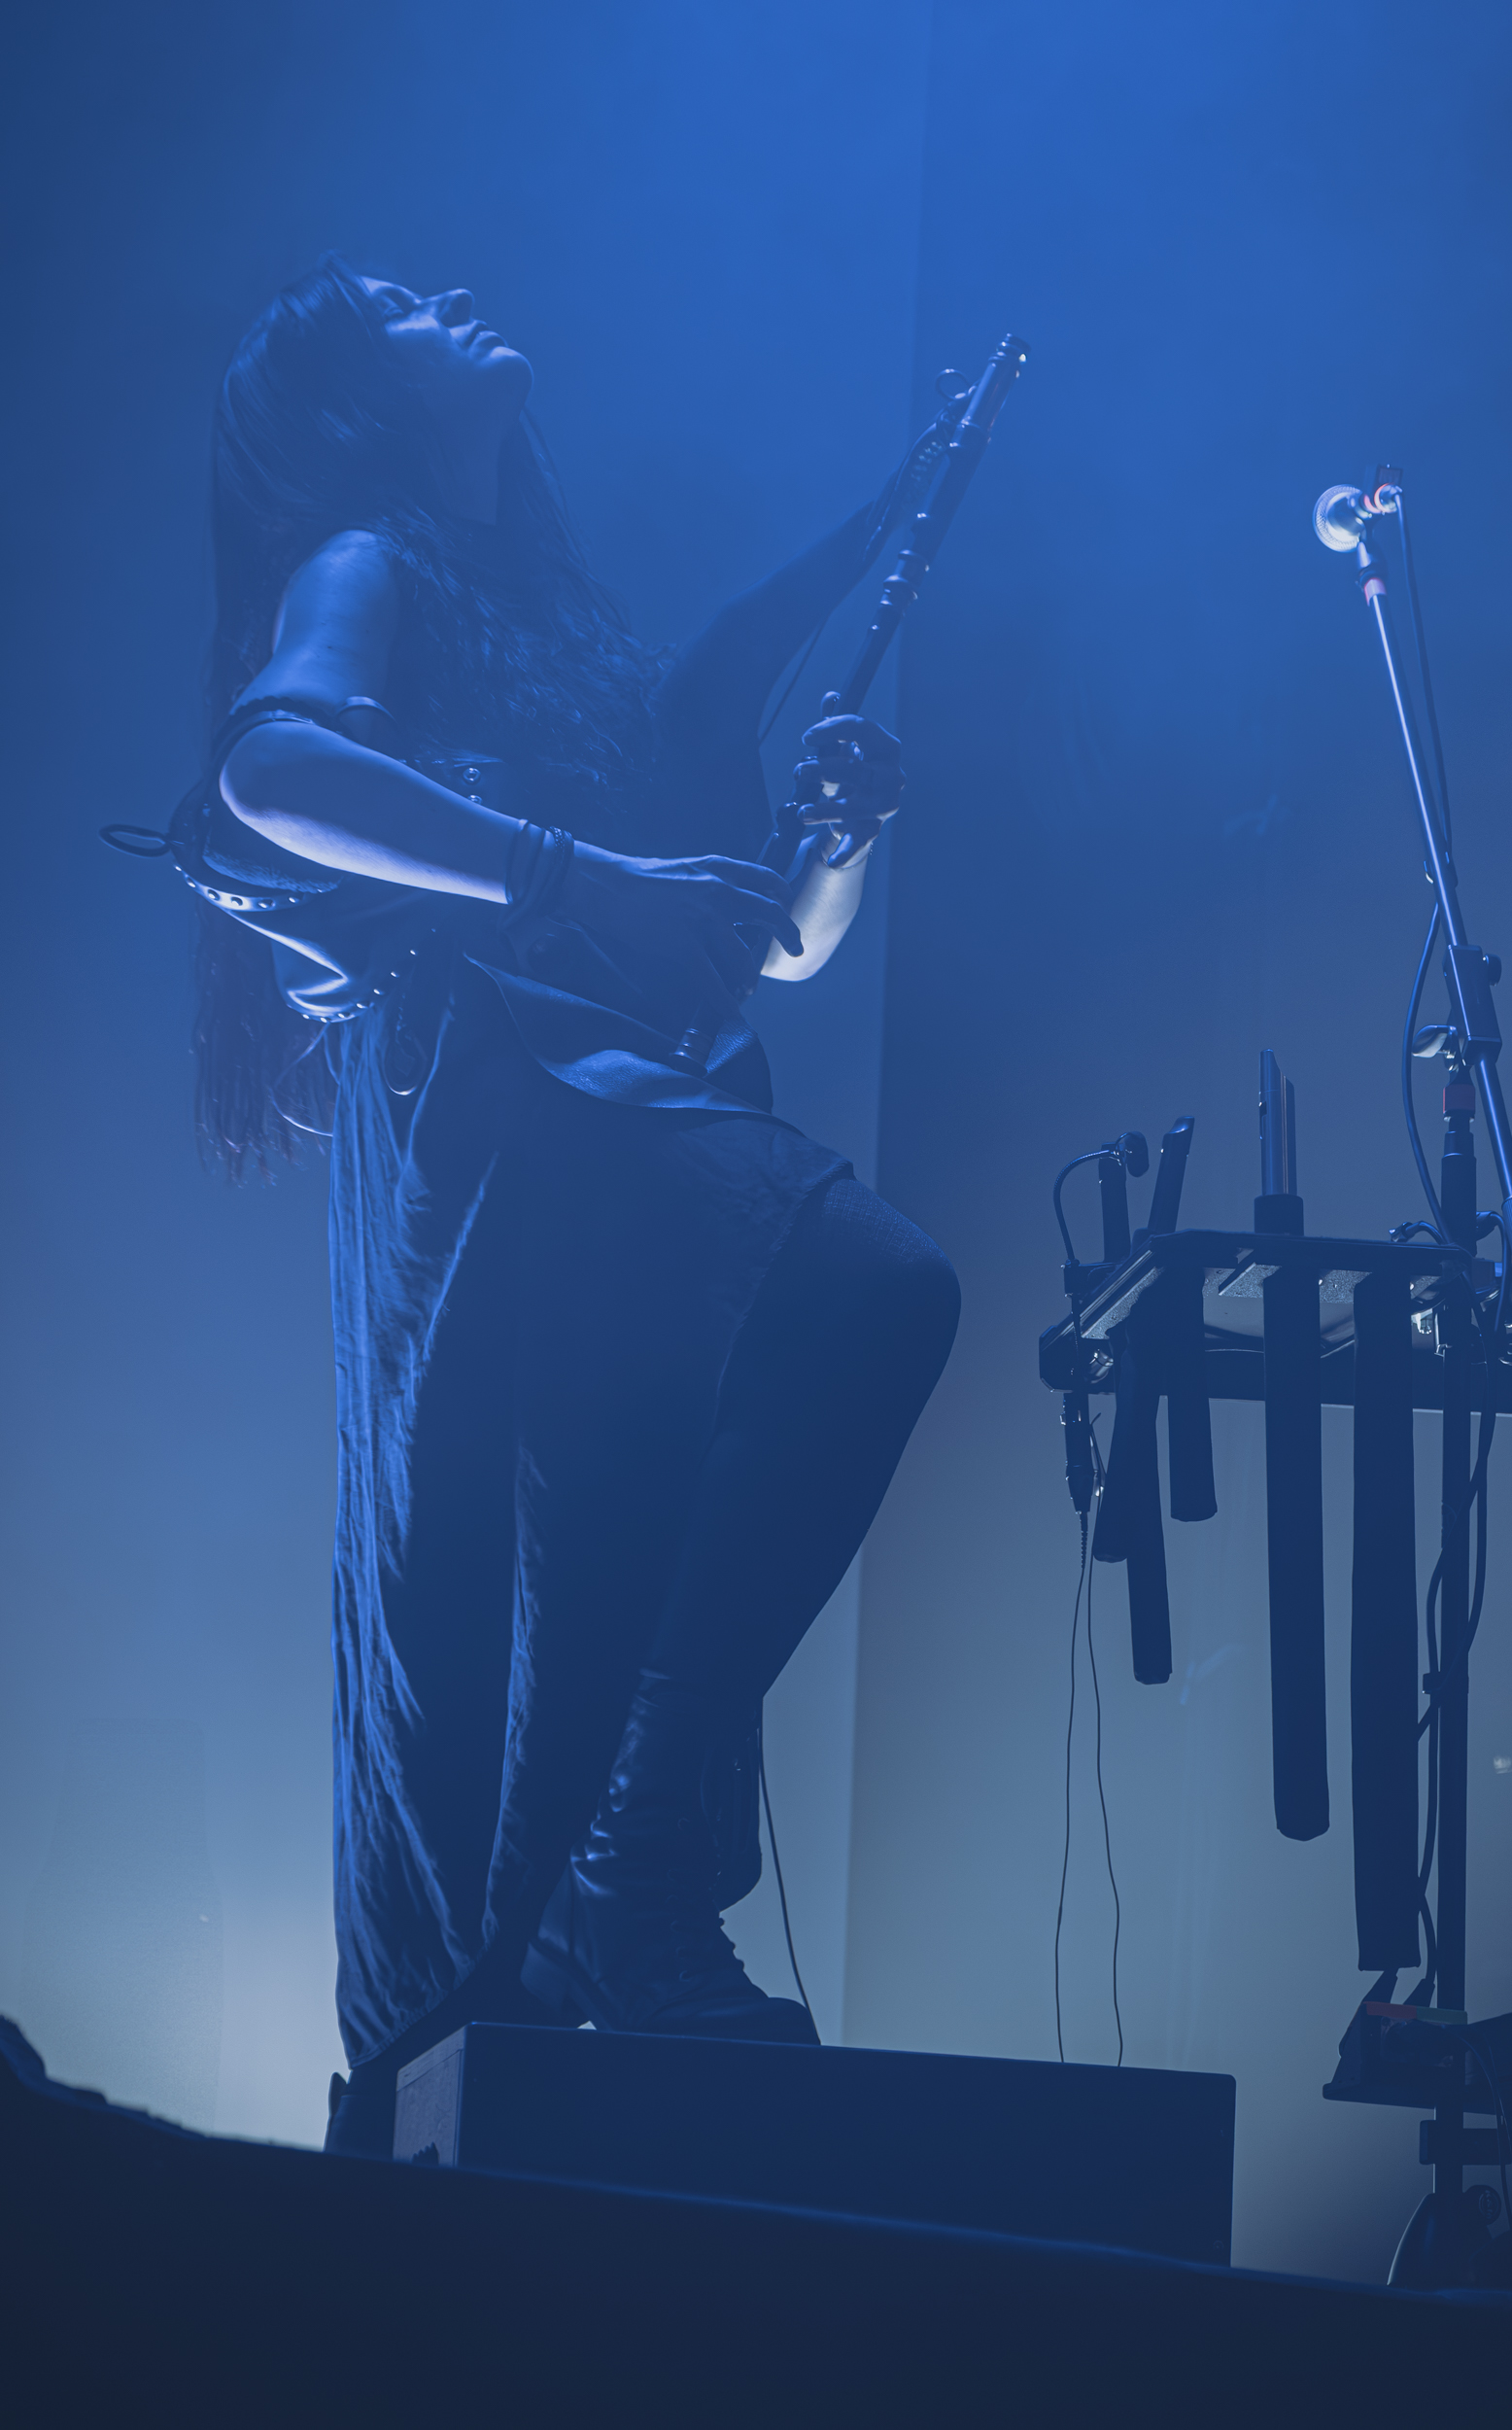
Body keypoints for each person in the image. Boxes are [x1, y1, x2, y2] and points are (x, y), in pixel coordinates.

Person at [166, 257, 960, 2157]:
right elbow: (269, 767)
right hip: (491, 1098)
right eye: (398, 301)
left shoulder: (567, 613)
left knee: (715, 1431)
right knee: (862, 1292)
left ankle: (618, 1855)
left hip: (614, 1105)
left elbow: (768, 949)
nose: (450, 294)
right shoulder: (367, 560)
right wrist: (572, 875)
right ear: (352, 397)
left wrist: (834, 845)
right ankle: (626, 1852)